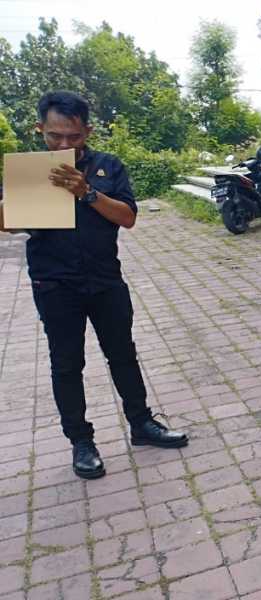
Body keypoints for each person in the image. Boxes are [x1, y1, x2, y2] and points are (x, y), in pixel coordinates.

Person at [0, 91, 187, 480]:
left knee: (123, 354)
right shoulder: (31, 171)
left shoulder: (107, 166)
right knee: (67, 364)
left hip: (105, 280)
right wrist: (23, 198)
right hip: (54, 283)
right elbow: (7, 223)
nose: (64, 145)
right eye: (55, 136)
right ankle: (81, 443)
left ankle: (142, 423)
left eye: (73, 136)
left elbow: (128, 217)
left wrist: (86, 192)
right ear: (40, 130)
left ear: (87, 130)